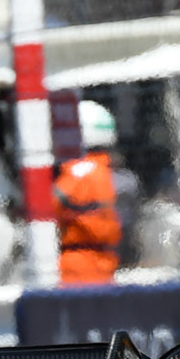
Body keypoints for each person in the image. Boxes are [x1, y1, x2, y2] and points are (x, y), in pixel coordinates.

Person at [54, 101, 124, 284]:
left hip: (78, 265)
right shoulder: (108, 170)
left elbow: (46, 207)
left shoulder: (79, 172)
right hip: (105, 261)